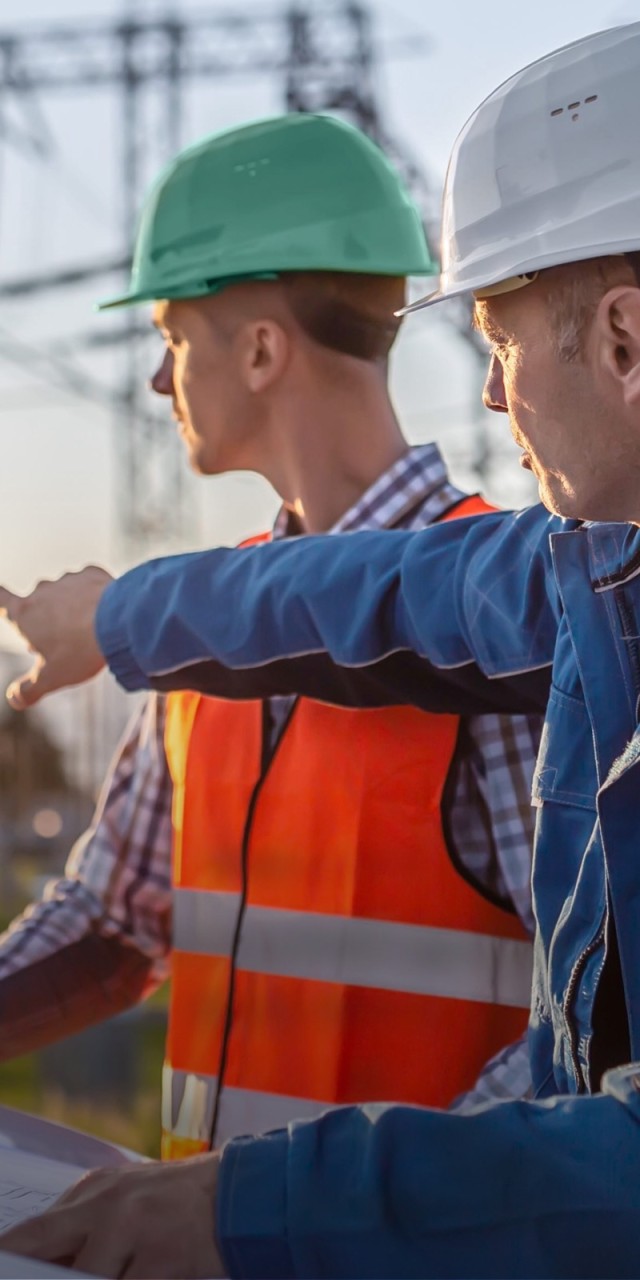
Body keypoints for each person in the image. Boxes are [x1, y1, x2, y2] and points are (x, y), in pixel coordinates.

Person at [5, 23, 640, 1276]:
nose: (493, 394)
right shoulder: (570, 582)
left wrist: (292, 1217)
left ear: (621, 340)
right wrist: (124, 620)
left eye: (502, 341)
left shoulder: (542, 624)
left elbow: (586, 1112)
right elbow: (376, 595)